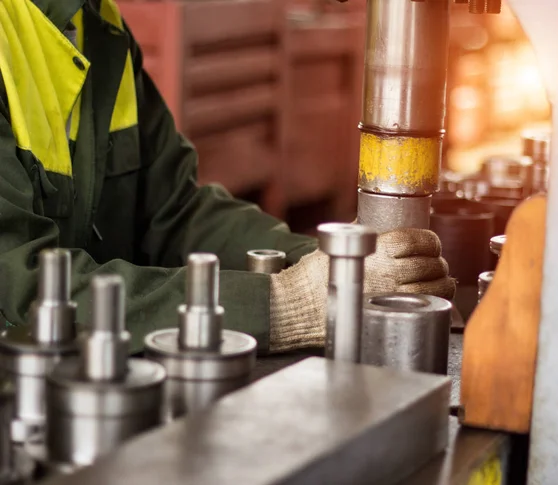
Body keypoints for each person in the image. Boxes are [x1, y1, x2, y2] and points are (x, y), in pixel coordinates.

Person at [0, 0, 454, 354]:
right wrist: (284, 305)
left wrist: (337, 266)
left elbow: (172, 212)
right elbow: (21, 291)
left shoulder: (99, 28)